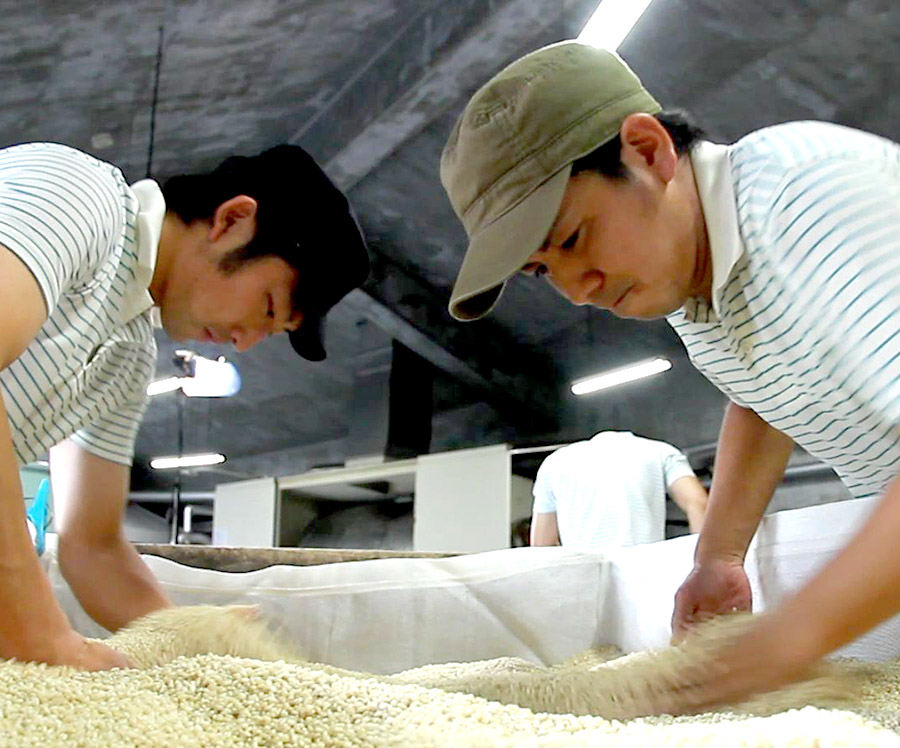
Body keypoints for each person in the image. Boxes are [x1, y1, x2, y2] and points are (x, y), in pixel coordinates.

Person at [439, 39, 900, 709]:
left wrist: (789, 640)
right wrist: (716, 556)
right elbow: (762, 398)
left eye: (571, 238)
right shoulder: (695, 289)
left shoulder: (805, 200)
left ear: (648, 152)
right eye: (543, 271)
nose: (577, 288)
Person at [0, 141, 369, 670]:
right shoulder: (81, 197)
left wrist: (201, 645)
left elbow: (93, 548)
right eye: (267, 308)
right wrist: (40, 637)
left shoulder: (125, 358)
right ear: (233, 220)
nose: (245, 343)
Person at [530, 431, 707, 550]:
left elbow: (541, 546)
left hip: (583, 581)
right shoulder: (660, 451)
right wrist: (701, 568)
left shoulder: (555, 462)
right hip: (643, 576)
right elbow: (699, 503)